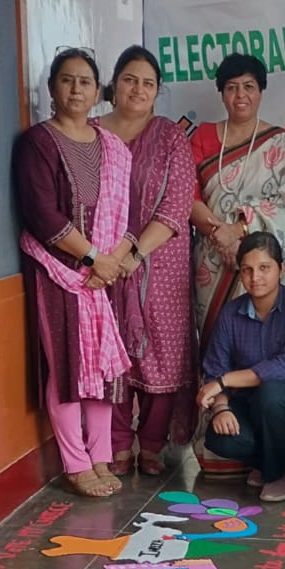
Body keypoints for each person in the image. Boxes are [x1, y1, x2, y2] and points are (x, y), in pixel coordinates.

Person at [14, 48, 133, 497]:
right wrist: (91, 260)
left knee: (101, 370)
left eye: (85, 81)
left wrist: (112, 262)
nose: (76, 89)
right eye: (67, 80)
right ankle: (76, 463)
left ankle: (100, 456)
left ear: (96, 90)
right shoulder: (38, 142)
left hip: (102, 277)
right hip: (60, 273)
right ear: (52, 89)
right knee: (68, 368)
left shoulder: (112, 148)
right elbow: (42, 214)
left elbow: (126, 213)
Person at [97, 45, 198, 477]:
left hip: (160, 260)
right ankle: (118, 443)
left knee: (164, 350)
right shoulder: (90, 133)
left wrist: (135, 252)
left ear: (158, 92)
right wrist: (107, 256)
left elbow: (177, 205)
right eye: (130, 79)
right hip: (100, 261)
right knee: (111, 350)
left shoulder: (169, 136)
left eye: (148, 83)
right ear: (114, 84)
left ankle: (153, 443)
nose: (138, 89)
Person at [196, 233, 285, 502]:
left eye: (264, 268)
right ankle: (266, 462)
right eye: (247, 270)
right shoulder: (231, 313)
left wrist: (225, 381)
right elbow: (215, 369)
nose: (255, 277)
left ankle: (277, 475)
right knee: (219, 437)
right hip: (248, 406)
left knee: (271, 394)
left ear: (281, 269)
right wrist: (222, 408)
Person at [190, 52, 285, 340]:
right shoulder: (201, 137)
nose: (241, 95)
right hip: (212, 261)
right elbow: (190, 198)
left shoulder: (279, 141)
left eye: (249, 86)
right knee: (216, 340)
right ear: (222, 93)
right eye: (232, 87)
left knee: (261, 337)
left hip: (260, 256)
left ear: (261, 92)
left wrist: (238, 231)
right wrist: (221, 236)